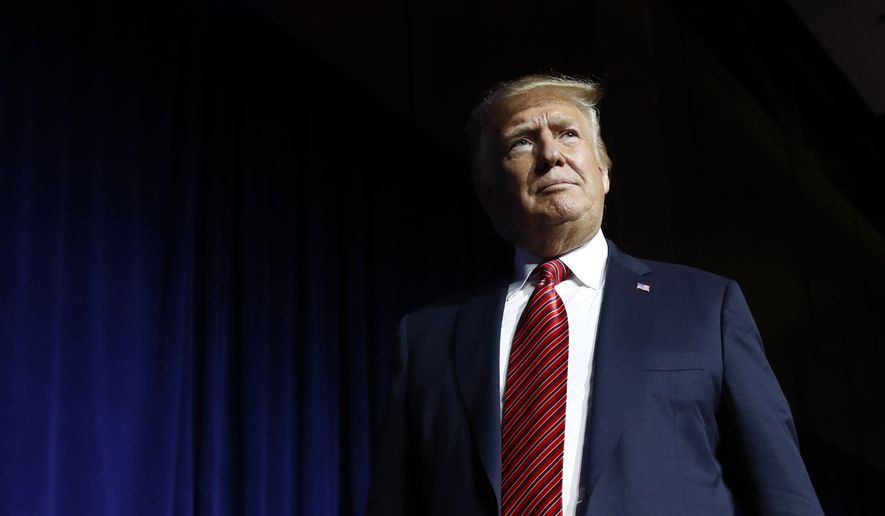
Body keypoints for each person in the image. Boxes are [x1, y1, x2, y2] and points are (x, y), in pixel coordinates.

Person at [366, 74, 824, 515]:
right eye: (522, 141)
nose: (551, 154)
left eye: (568, 134)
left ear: (603, 171)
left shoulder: (705, 305)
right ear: (489, 190)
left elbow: (781, 488)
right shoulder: (427, 337)